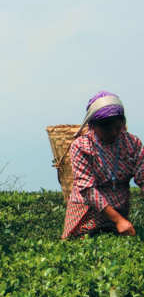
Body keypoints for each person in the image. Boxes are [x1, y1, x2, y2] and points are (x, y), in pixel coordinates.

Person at [62, 91, 144, 239]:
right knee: (81, 243)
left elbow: (142, 176)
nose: (113, 133)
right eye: (107, 129)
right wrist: (119, 221)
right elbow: (87, 189)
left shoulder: (132, 143)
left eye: (118, 127)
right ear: (92, 126)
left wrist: (121, 220)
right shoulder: (81, 146)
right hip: (86, 212)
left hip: (120, 209)